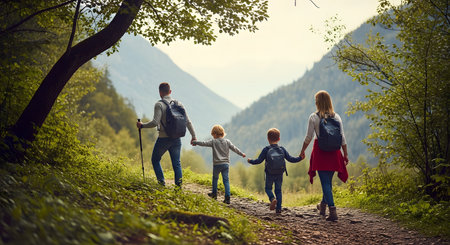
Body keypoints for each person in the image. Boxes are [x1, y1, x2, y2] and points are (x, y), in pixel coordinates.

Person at [299, 90, 349, 221]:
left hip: (320, 152)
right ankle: (322, 206)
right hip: (334, 152)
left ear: (318, 102)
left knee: (325, 182)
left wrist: (302, 150)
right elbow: (342, 137)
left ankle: (332, 211)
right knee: (327, 182)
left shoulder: (314, 117)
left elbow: (308, 137)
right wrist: (346, 154)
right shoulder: (336, 117)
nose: (315, 102)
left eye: (316, 100)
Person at [136, 82, 196, 187]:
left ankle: (161, 183)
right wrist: (193, 136)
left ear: (160, 92)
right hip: (177, 138)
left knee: (155, 159)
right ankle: (178, 189)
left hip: (163, 138)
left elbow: (155, 122)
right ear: (170, 91)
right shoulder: (179, 104)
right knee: (177, 164)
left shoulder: (159, 104)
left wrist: (142, 126)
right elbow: (188, 121)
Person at [247, 128, 302, 214]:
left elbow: (258, 161)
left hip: (269, 173)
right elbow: (291, 159)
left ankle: (272, 199)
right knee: (278, 190)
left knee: (268, 188)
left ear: (268, 139)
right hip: (280, 173)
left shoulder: (266, 149)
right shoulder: (282, 149)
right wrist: (300, 158)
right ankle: (279, 209)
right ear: (279, 139)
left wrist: (250, 161)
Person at [192, 125, 246, 204]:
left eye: (213, 134)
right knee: (226, 181)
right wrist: (242, 154)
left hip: (217, 164)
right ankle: (227, 198)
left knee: (215, 179)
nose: (213, 136)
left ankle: (214, 194)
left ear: (215, 134)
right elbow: (234, 148)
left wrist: (195, 142)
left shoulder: (214, 142)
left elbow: (204, 143)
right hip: (225, 164)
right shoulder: (227, 142)